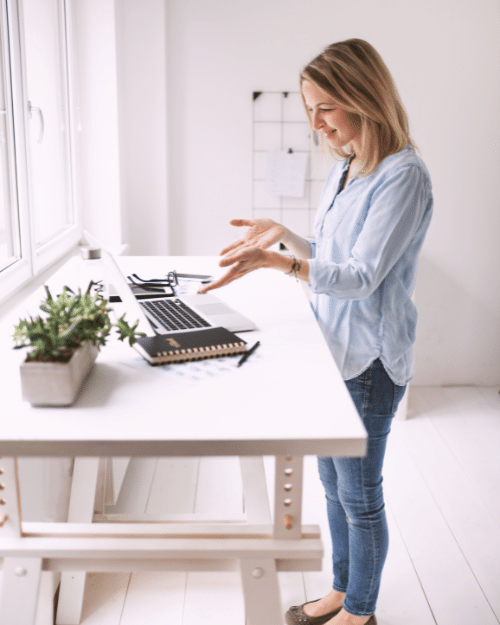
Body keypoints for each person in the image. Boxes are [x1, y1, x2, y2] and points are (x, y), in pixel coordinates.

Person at [199, 38, 433, 625]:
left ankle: (360, 611)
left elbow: (358, 277)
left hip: (370, 361)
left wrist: (283, 264)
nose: (317, 121)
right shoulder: (348, 166)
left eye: (326, 106)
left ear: (363, 96)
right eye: (310, 108)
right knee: (332, 487)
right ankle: (339, 590)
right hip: (334, 353)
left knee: (360, 495)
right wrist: (286, 235)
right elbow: (331, 251)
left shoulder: (403, 175)